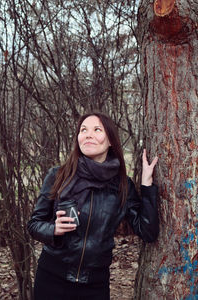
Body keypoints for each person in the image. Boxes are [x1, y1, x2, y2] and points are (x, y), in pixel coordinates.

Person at [27, 111, 159, 300]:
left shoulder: (122, 185)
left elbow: (148, 231)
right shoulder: (59, 176)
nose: (88, 134)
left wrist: (147, 186)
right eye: (83, 130)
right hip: (51, 278)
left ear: (111, 140)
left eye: (97, 129)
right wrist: (53, 229)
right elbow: (34, 225)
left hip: (95, 284)